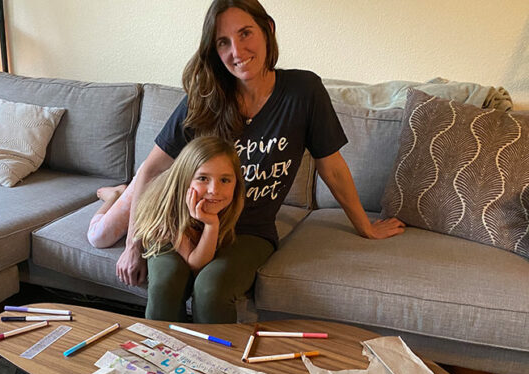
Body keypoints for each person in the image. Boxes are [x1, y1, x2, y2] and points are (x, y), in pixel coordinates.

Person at [89, 0, 405, 323]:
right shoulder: (205, 98)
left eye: (245, 34)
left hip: (250, 232)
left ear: (268, 29)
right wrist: (134, 243)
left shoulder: (303, 92)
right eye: (223, 42)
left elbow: (332, 167)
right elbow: (153, 169)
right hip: (186, 225)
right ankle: (159, 370)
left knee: (211, 289)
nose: (237, 51)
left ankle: (215, 372)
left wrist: (365, 227)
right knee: (164, 283)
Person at [131, 136, 244, 321]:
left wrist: (210, 224)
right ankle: (114, 195)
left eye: (225, 180)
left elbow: (201, 263)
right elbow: (195, 263)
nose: (214, 190)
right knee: (100, 235)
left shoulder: (234, 200)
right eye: (203, 178)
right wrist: (211, 224)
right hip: (155, 213)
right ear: (185, 180)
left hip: (185, 213)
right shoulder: (169, 210)